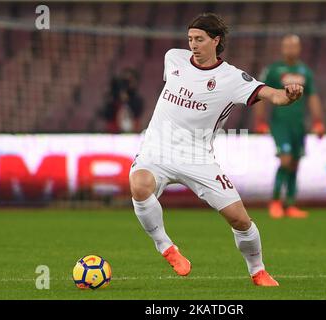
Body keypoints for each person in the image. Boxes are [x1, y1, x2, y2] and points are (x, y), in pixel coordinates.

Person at [129, 13, 303, 287]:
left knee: (240, 219)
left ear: (216, 40)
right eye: (190, 39)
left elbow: (273, 94)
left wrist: (289, 94)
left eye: (199, 39)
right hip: (157, 148)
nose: (193, 45)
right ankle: (166, 247)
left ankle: (258, 271)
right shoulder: (173, 58)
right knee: (139, 185)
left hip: (197, 156)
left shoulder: (231, 78)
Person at [254, 34, 325, 219]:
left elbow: (312, 96)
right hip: (280, 123)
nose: (291, 49)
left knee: (295, 162)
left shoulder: (305, 71)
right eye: (287, 46)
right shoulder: (273, 70)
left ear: (299, 48)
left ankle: (290, 204)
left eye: (294, 46)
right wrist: (260, 121)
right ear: (282, 48)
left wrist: (318, 122)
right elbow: (261, 94)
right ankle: (276, 201)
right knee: (285, 160)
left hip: (299, 124)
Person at [101, 68, 144, 133]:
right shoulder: (113, 97)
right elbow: (106, 115)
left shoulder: (137, 99)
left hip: (132, 134)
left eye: (129, 81)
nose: (126, 84)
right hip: (113, 134)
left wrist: (127, 100)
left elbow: (136, 113)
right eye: (124, 81)